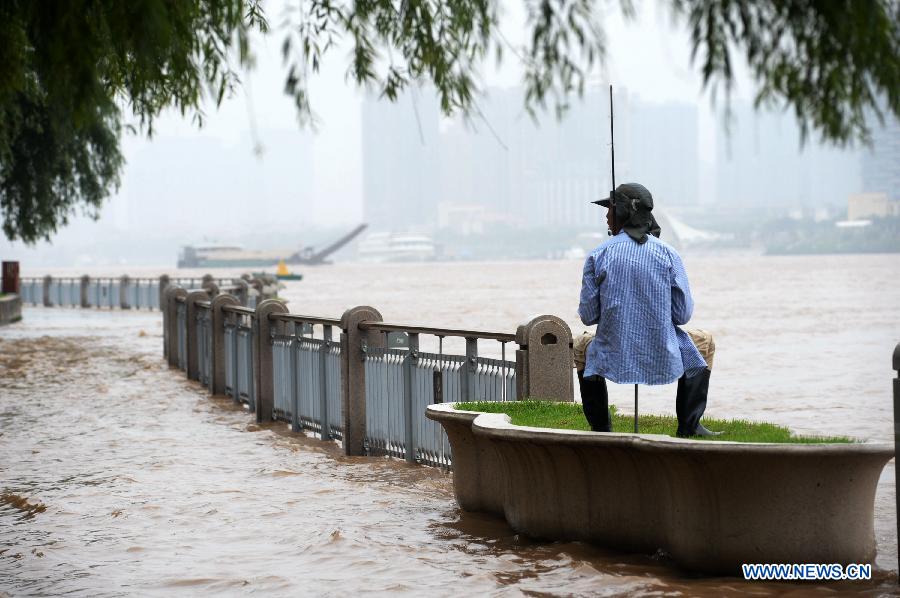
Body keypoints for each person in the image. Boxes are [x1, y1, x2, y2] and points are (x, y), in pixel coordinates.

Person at [577, 182, 719, 437]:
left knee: (580, 347)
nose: (605, 216)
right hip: (662, 351)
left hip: (612, 354)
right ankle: (689, 426)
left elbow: (588, 316)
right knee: (704, 342)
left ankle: (601, 427)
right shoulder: (669, 254)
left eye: (609, 209)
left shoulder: (597, 256)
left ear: (622, 213)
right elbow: (682, 315)